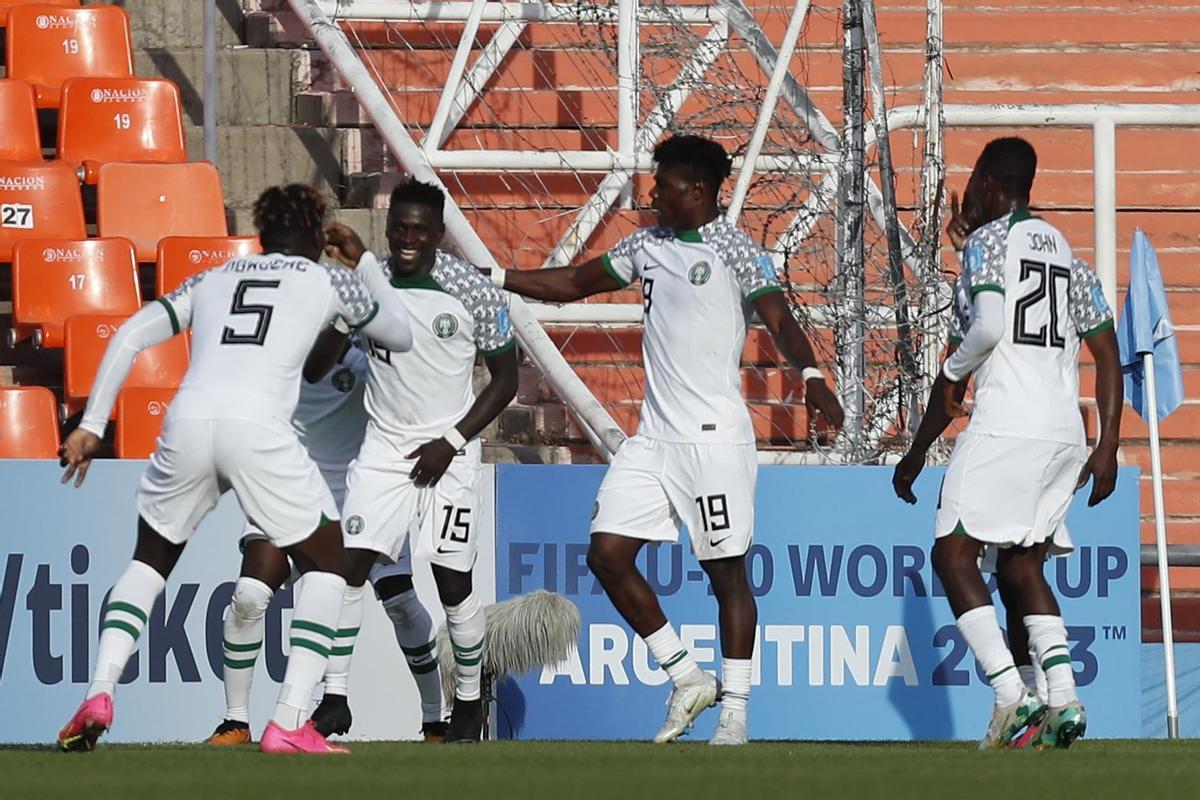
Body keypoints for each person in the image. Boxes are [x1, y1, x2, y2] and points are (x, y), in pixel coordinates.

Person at [491, 134, 843, 745]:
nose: (652, 194)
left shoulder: (736, 250)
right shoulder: (645, 245)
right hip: (653, 438)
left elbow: (780, 319)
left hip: (712, 441)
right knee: (605, 552)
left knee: (726, 574)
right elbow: (576, 281)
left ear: (699, 190)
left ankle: (735, 711)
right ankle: (686, 676)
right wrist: (495, 275)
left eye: (664, 185)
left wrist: (810, 377)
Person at [56, 184, 415, 755]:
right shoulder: (328, 280)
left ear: (261, 234)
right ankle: (290, 720)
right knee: (329, 567)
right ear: (319, 235)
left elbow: (128, 334)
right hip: (260, 430)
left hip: (189, 421)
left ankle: (99, 692)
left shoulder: (215, 277)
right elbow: (400, 332)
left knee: (148, 564)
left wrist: (93, 423)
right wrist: (366, 264)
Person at [892, 137, 1123, 749]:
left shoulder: (988, 245)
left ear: (992, 183)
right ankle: (1065, 702)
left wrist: (942, 393)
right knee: (1022, 564)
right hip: (1063, 431)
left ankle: (1008, 694)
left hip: (1007, 423)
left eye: (975, 182)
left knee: (951, 554)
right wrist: (1108, 446)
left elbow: (986, 332)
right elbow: (1107, 354)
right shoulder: (1068, 255)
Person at [304, 178, 519, 744]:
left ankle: (468, 704)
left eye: (419, 230)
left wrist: (451, 441)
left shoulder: (471, 290)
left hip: (448, 453)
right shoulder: (371, 282)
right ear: (389, 225)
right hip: (382, 451)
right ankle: (335, 698)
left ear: (438, 235)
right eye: (398, 227)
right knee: (348, 568)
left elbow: (507, 380)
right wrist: (346, 310)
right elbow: (318, 367)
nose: (407, 238)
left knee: (453, 584)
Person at [204, 334, 448, 746]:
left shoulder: (376, 337)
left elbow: (412, 392)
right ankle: (236, 721)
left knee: (400, 602)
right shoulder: (281, 333)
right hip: (290, 484)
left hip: (365, 484)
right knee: (247, 596)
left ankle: (434, 721)